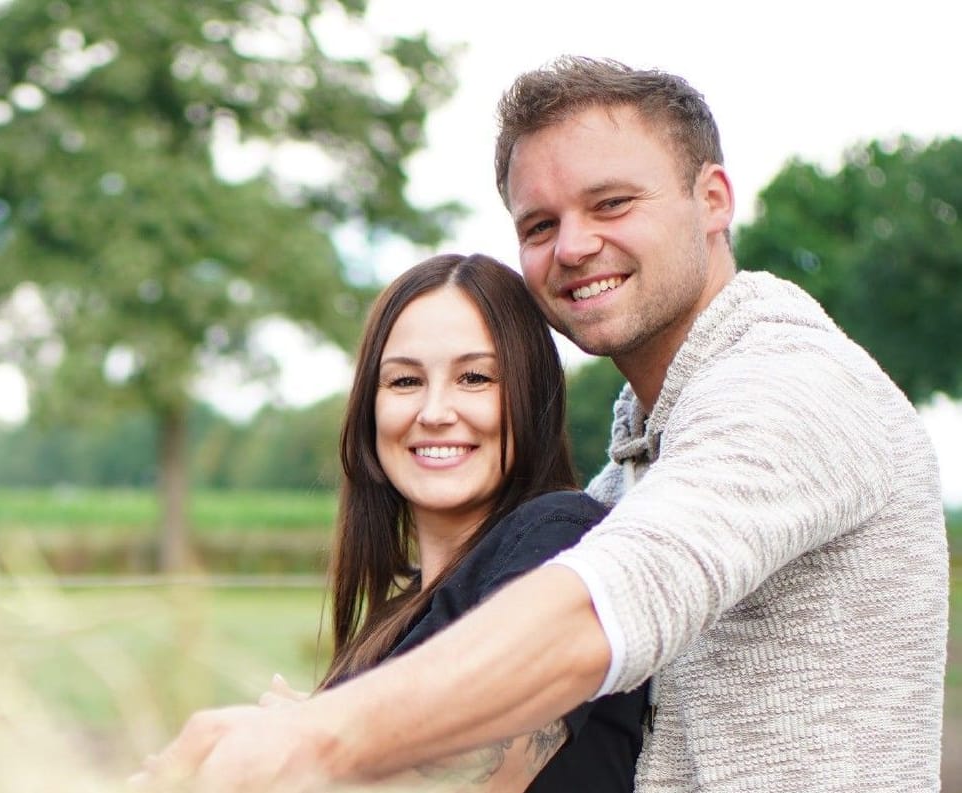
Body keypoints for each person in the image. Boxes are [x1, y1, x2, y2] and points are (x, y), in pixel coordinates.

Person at [142, 56, 949, 792]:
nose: (573, 245)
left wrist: (318, 740)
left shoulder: (792, 384)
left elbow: (603, 604)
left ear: (712, 200)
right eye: (539, 225)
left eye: (612, 203)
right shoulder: (637, 461)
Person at [279, 252, 644, 791]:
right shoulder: (396, 618)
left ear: (530, 393)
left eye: (474, 377)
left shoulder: (563, 541)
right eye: (404, 382)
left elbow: (472, 776)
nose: (434, 412)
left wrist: (294, 743)